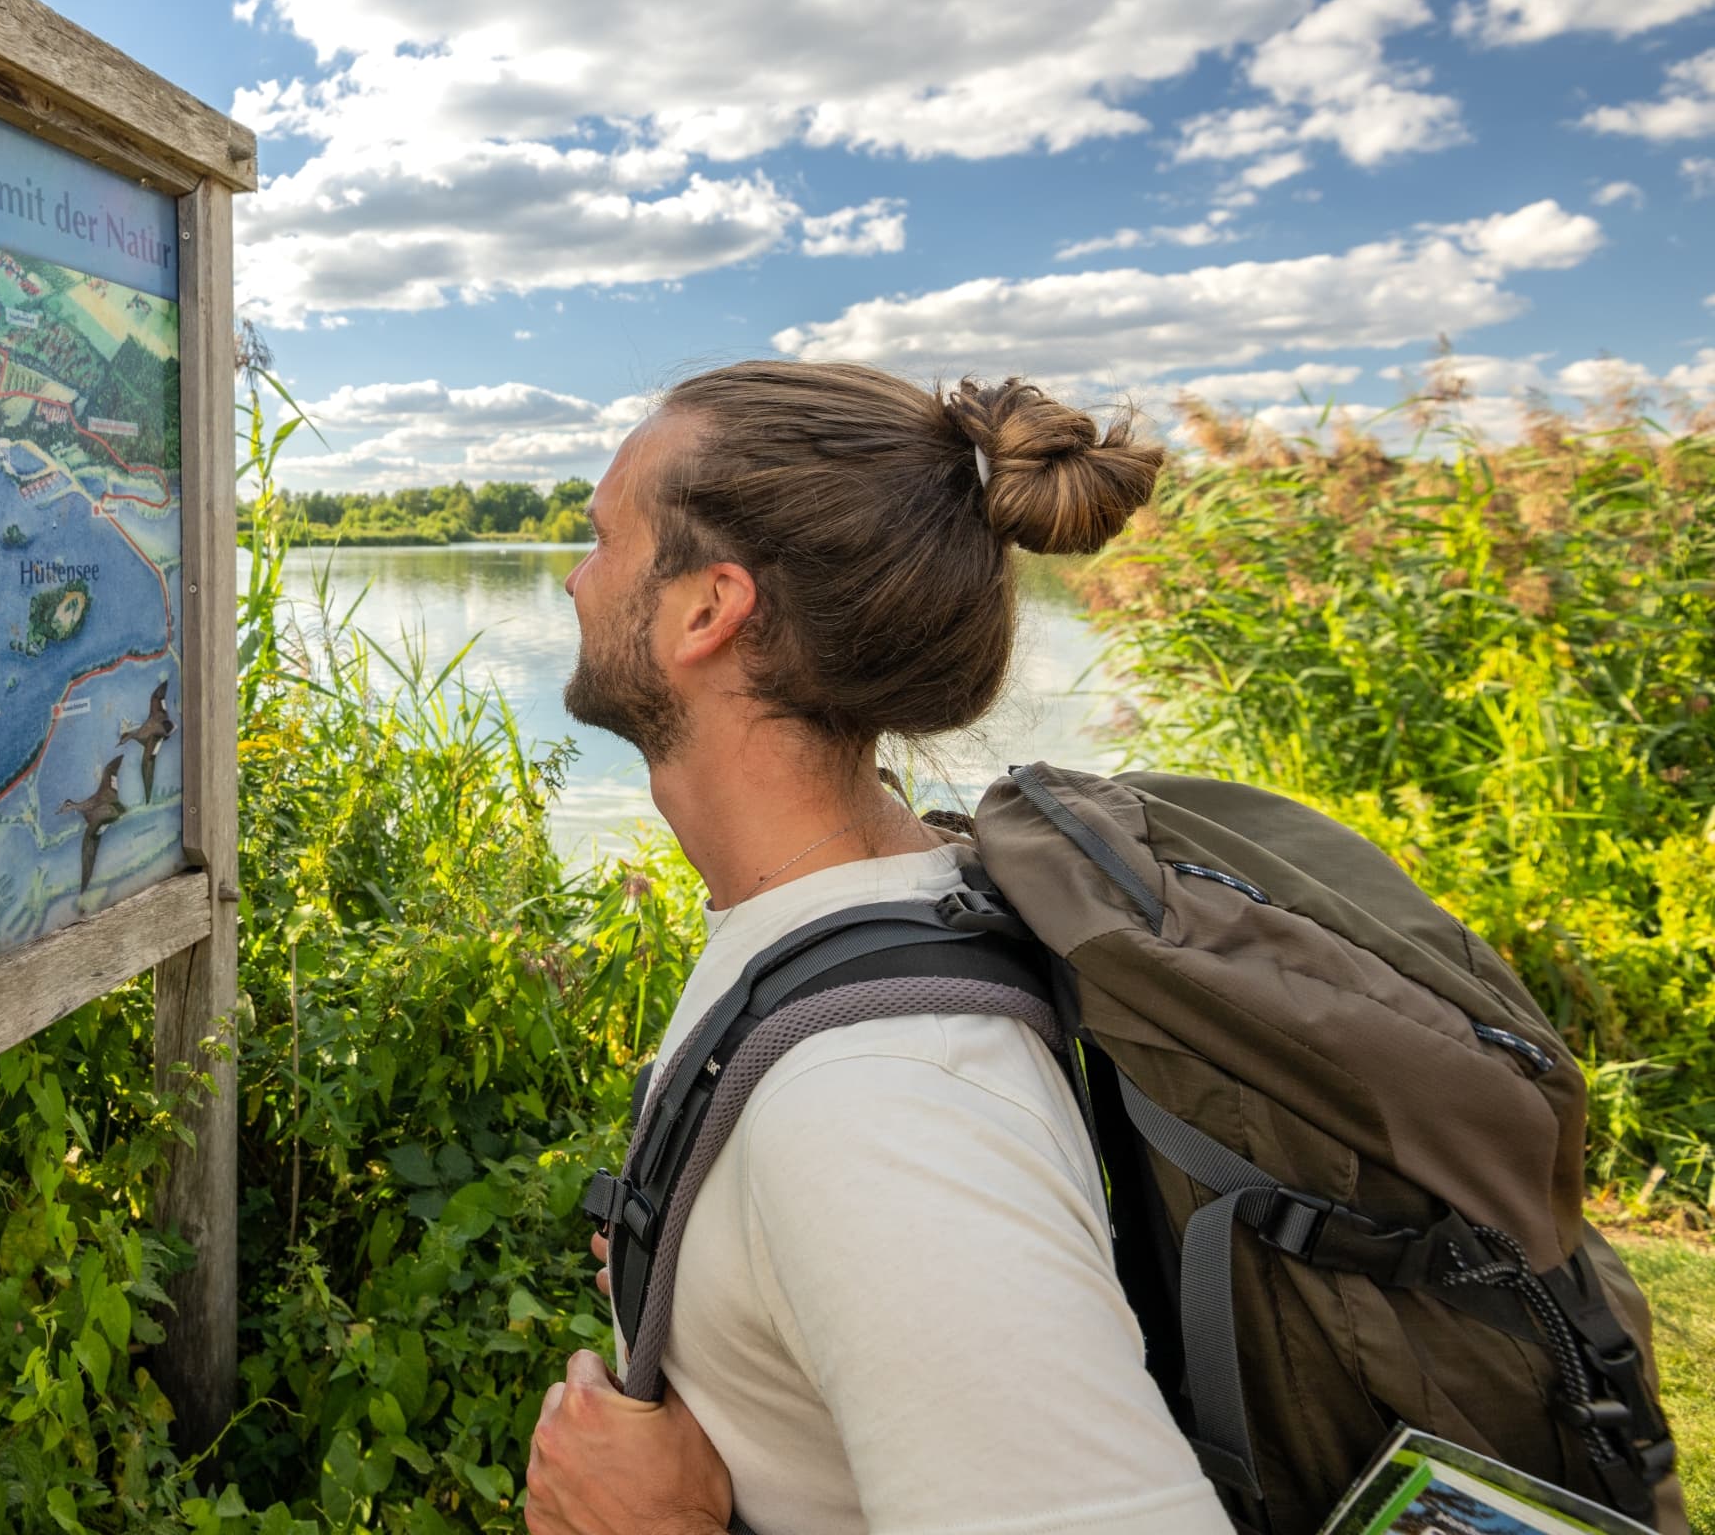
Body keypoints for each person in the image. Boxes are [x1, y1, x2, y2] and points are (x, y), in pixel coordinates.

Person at [524, 362, 1233, 1535]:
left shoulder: (886, 1104)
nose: (572, 574)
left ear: (709, 607)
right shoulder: (857, 911)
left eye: (603, 537)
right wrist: (724, 1282)